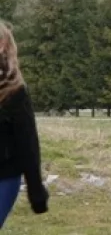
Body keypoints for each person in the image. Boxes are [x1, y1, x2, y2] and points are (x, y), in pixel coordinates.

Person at [0, 22, 48, 229]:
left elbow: (28, 144)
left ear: (2, 45)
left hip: (3, 178)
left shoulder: (15, 92)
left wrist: (35, 190)